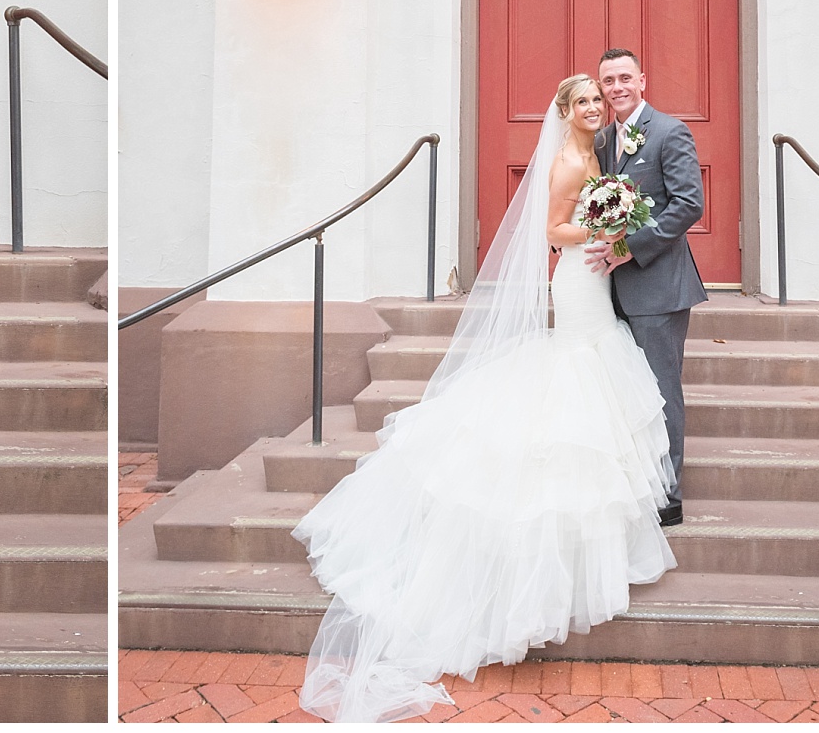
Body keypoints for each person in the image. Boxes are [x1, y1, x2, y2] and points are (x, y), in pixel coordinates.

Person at [295, 75, 676, 723]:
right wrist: (603, 226)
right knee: (577, 377)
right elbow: (556, 230)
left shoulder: (600, 153)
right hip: (579, 278)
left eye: (595, 100)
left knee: (595, 374)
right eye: (581, 100)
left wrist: (617, 220)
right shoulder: (567, 160)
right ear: (565, 111)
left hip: (596, 282)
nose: (591, 107)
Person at [583, 47, 708, 527]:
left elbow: (687, 205)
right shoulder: (601, 141)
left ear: (642, 81)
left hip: (658, 287)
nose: (615, 87)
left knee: (659, 390)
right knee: (624, 391)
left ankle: (668, 494)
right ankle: (633, 483)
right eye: (607, 80)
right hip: (608, 292)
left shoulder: (669, 132)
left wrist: (630, 248)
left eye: (623, 78)